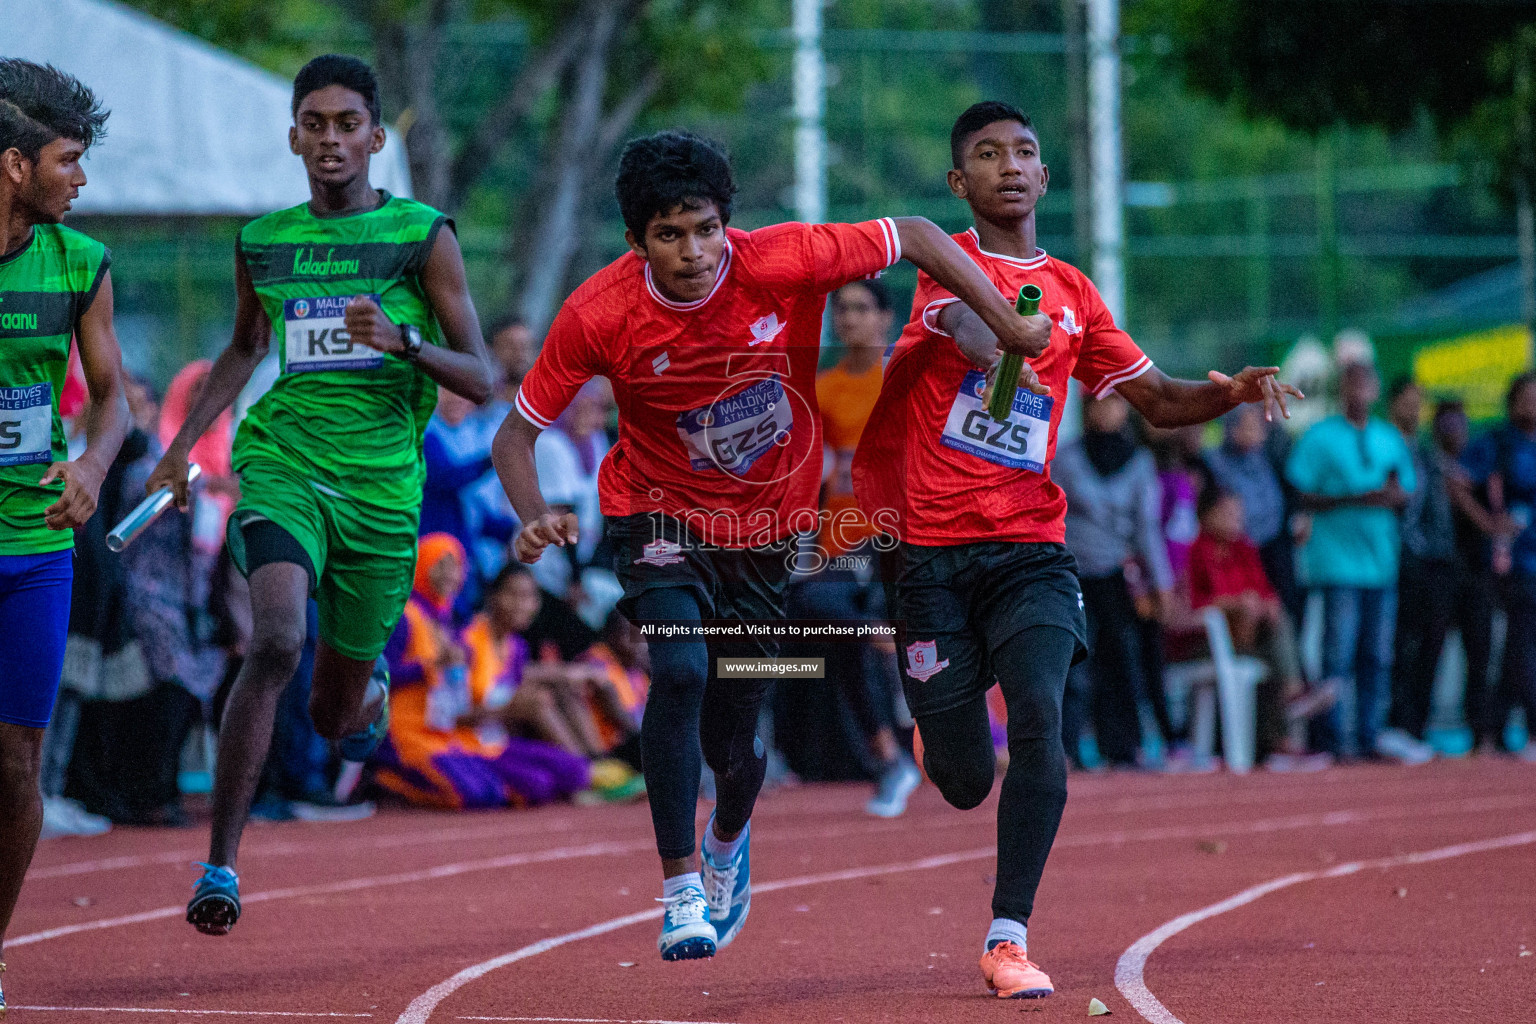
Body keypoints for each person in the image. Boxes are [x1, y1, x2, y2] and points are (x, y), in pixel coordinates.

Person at [493, 128, 1058, 961]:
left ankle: (728, 836)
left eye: (707, 229)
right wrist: (533, 512)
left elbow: (923, 237)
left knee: (737, 738)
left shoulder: (784, 259)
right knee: (680, 669)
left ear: (729, 222)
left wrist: (1006, 320)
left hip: (767, 531)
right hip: (656, 513)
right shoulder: (600, 311)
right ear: (635, 241)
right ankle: (680, 886)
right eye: (670, 236)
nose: (694, 252)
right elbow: (516, 434)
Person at [852, 101, 1301, 1000]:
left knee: (1043, 721)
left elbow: (1162, 401)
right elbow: (975, 335)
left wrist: (1232, 394)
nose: (1009, 166)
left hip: (1031, 549)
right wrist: (1013, 331)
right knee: (965, 779)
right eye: (987, 155)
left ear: (1045, 177)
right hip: (936, 559)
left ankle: (1007, 937)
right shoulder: (946, 273)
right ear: (959, 183)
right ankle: (939, 722)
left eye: (1025, 152)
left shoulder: (1075, 291)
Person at [145, 55, 494, 936]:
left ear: (376, 137)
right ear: (293, 135)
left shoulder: (422, 234)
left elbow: (482, 377)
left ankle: (362, 690)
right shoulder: (264, 239)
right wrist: (178, 448)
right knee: (272, 639)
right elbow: (241, 348)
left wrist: (407, 340)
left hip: (380, 488)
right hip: (283, 460)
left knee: (334, 712)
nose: (331, 140)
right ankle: (220, 864)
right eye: (315, 124)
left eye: (348, 125)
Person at [0, 59, 128, 1013]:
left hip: (33, 546)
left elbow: (115, 398)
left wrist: (89, 468)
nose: (80, 180)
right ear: (14, 164)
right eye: (68, 159)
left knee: (16, 767)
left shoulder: (79, 263)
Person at [801, 278, 919, 817]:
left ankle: (907, 753)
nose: (846, 318)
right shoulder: (822, 388)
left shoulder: (904, 380)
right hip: (839, 545)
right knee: (817, 614)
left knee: (884, 646)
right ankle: (889, 758)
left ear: (885, 319)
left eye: (858, 309)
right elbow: (811, 473)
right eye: (840, 309)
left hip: (900, 539)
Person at [373, 538, 592, 808]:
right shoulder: (414, 620)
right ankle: (386, 778)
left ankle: (595, 767)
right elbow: (378, 677)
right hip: (413, 733)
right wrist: (430, 668)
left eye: (457, 567)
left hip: (464, 737)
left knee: (564, 775)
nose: (449, 575)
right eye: (440, 566)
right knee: (490, 793)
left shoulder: (446, 623)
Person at [1286, 361, 1427, 763]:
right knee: (1338, 654)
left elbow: (1406, 490)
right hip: (1336, 564)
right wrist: (1351, 499)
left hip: (1381, 562)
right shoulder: (1319, 437)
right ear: (1340, 389)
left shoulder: (1388, 437)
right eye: (1352, 382)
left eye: (1367, 381)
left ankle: (1369, 736)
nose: (1360, 389)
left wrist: (1389, 497)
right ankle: (1331, 740)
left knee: (1377, 656)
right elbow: (1299, 492)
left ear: (1377, 389)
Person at [1054, 392, 1176, 768]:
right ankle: (1065, 749)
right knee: (1072, 663)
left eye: (1116, 404)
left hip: (1117, 576)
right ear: (1087, 410)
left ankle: (1121, 748)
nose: (1108, 412)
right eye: (1099, 405)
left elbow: (1148, 528)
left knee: (1122, 660)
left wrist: (1163, 583)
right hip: (1073, 575)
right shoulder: (1066, 457)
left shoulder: (1140, 462)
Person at [1186, 488, 1327, 769]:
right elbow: (1190, 607)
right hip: (1206, 643)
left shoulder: (1244, 549)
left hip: (1248, 638)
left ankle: (1282, 732)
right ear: (1206, 516)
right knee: (1269, 654)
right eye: (1228, 513)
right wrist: (1233, 604)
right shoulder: (1196, 552)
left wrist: (1263, 606)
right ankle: (1293, 696)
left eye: (1239, 514)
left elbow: (1265, 592)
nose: (1236, 520)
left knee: (1277, 625)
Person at [1391, 398, 1492, 750]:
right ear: (1436, 430)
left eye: (1460, 424)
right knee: (1426, 648)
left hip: (1472, 571)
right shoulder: (1425, 464)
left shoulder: (1477, 464)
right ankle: (1413, 727)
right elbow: (1413, 518)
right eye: (1448, 425)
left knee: (1479, 649)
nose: (1456, 432)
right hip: (1433, 570)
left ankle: (1481, 731)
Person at [1461, 373, 1536, 759]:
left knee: (1517, 650)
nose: (1531, 405)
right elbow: (1457, 482)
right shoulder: (1498, 442)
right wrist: (1488, 524)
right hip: (1513, 561)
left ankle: (1498, 726)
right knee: (1519, 645)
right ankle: (1517, 728)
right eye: (1525, 397)